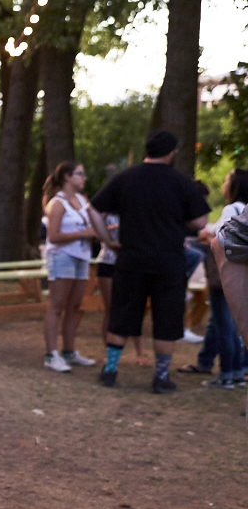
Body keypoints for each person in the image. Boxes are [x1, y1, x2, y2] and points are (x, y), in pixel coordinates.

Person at [90, 130, 210, 392]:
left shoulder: (125, 178)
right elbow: (201, 221)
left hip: (131, 258)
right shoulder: (181, 182)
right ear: (171, 152)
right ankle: (161, 377)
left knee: (122, 314)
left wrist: (106, 240)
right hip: (169, 261)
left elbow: (94, 209)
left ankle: (110, 370)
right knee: (167, 319)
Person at [182, 169, 248, 388]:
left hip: (225, 275)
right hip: (242, 274)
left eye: (227, 180)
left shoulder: (231, 209)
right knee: (233, 325)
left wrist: (206, 235)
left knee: (225, 325)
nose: (224, 184)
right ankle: (237, 372)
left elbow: (221, 238)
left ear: (235, 186)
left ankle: (227, 374)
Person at [41, 161, 102, 371]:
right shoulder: (57, 203)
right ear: (67, 177)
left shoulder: (82, 199)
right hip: (62, 256)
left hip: (82, 256)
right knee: (57, 305)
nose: (84, 178)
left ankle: (69, 350)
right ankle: (51, 355)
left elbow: (91, 225)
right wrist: (84, 234)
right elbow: (53, 236)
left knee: (75, 305)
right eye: (80, 173)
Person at [94, 214, 148, 366]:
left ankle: (140, 353)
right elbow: (96, 233)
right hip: (108, 261)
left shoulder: (134, 208)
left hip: (131, 262)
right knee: (110, 309)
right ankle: (109, 353)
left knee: (135, 308)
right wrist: (115, 227)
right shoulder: (106, 212)